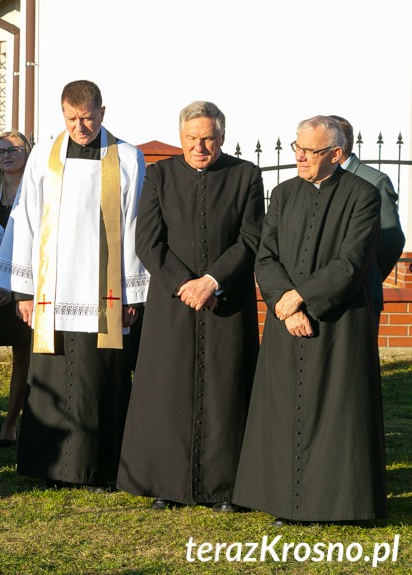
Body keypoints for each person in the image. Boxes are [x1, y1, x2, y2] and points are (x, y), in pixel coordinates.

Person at [0, 80, 148, 491]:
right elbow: (25, 219)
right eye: (72, 119)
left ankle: (98, 469)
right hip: (51, 293)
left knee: (100, 380)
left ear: (103, 112)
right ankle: (49, 468)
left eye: (88, 118)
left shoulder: (128, 158)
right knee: (51, 379)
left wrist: (132, 293)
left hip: (105, 291)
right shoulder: (44, 155)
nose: (80, 126)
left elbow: (134, 227)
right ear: (62, 114)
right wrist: (24, 292)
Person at [233, 116, 387, 525]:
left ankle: (338, 504)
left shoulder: (364, 195)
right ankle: (282, 500)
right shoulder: (282, 194)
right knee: (283, 410)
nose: (299, 156)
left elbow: (352, 263)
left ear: (336, 154)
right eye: (297, 148)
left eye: (310, 151)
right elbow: (266, 256)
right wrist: (284, 304)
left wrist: (300, 298)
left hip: (337, 323)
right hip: (286, 321)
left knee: (337, 413)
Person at [116, 102, 264, 512]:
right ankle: (168, 483)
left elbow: (251, 239)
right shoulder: (160, 175)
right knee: (169, 390)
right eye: (191, 139)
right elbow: (147, 240)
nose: (200, 147)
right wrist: (186, 285)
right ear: (180, 137)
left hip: (226, 300)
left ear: (222, 136)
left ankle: (228, 488)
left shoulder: (246, 175)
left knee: (226, 389)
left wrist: (213, 281)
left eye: (208, 139)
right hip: (173, 302)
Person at [330, 115, 405, 325]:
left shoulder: (374, 181)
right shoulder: (314, 180)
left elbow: (391, 240)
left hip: (361, 298)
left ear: (337, 146)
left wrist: (367, 273)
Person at [0, 131, 32, 447]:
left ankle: (11, 423)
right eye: (0, 150)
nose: (6, 155)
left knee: (23, 356)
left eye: (14, 149)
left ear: (26, 152)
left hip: (22, 290)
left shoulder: (36, 192)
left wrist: (15, 287)